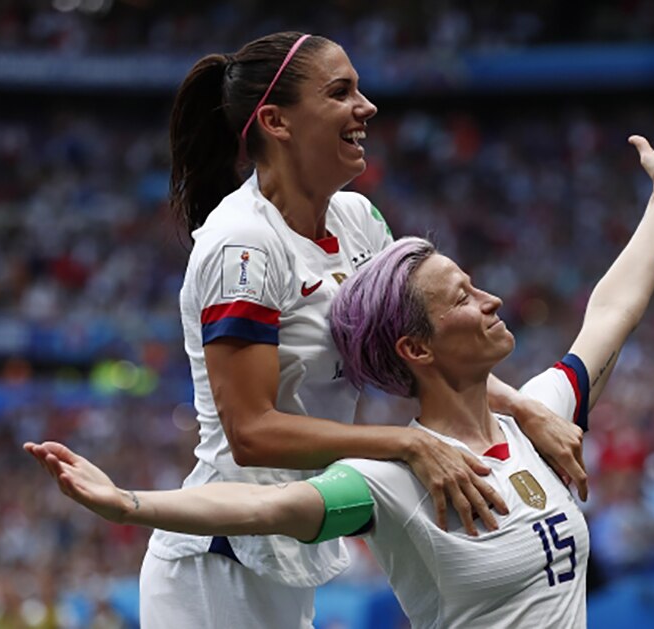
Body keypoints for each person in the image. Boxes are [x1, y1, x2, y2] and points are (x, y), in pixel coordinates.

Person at [26, 90, 654, 628]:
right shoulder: (391, 477)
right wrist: (128, 504)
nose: (493, 299)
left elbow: (610, 314)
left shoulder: (538, 419)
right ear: (415, 347)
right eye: (465, 297)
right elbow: (262, 506)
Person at [152, 30, 586, 628]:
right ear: (277, 122)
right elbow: (251, 432)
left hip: (285, 548)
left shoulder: (357, 218)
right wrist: (407, 443)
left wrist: (524, 409)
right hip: (218, 561)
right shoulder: (243, 247)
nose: (368, 106)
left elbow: (411, 349)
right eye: (341, 92)